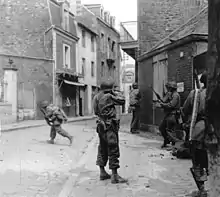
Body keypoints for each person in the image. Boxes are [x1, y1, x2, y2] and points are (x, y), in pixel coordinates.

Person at [93, 78, 128, 184]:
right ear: (110, 88)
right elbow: (122, 101)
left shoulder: (96, 97)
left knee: (102, 147)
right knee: (113, 148)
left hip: (101, 125)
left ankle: (102, 172)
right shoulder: (109, 96)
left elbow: (95, 111)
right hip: (110, 125)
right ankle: (115, 175)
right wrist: (114, 92)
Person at [181, 71, 208, 196]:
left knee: (197, 161)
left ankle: (202, 189)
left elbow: (185, 110)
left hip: (199, 131)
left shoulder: (195, 94)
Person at [158, 81, 181, 148]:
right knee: (162, 128)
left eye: (168, 87)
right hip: (168, 114)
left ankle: (176, 145)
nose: (167, 89)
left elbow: (171, 105)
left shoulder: (175, 95)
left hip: (173, 115)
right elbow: (164, 100)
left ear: (171, 88)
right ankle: (166, 140)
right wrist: (162, 101)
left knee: (170, 131)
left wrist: (163, 104)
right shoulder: (170, 94)